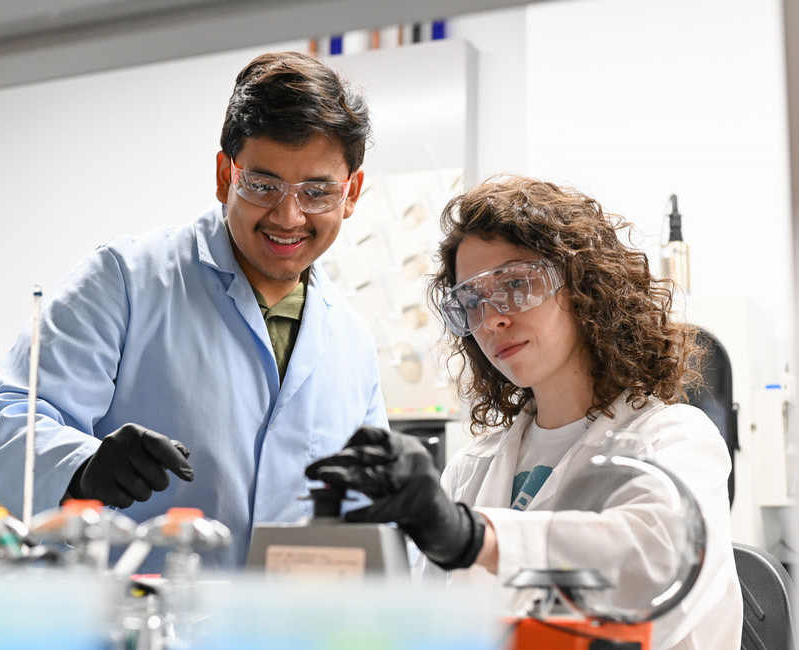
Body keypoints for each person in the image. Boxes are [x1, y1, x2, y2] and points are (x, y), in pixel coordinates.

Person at [0, 51, 388, 571]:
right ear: (224, 176)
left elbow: (374, 514)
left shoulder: (352, 341)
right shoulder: (127, 278)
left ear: (351, 193)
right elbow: (4, 423)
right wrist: (83, 468)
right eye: (262, 185)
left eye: (317, 191)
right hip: (137, 625)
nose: (289, 215)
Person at [306, 175, 742, 650]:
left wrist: (474, 537)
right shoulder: (472, 469)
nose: (492, 317)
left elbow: (658, 567)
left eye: (516, 284)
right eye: (472, 300)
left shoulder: (675, 439)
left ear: (583, 285)